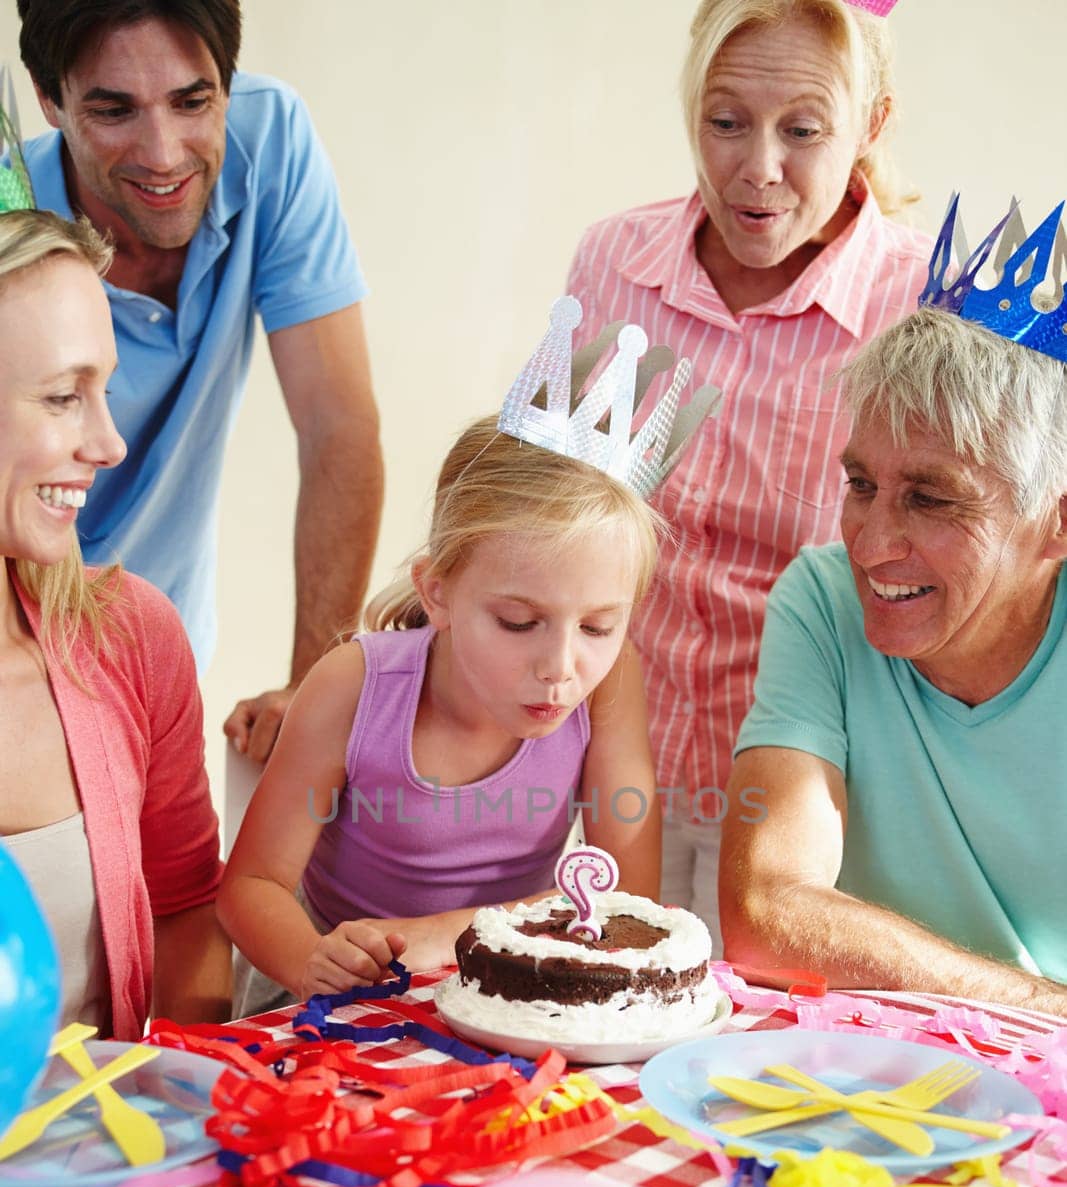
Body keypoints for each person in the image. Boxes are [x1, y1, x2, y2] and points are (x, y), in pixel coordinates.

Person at [565, 0, 929, 942]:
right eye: (724, 122)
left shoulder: (923, 303)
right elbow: (549, 513)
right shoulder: (616, 266)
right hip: (606, 776)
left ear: (870, 124)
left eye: (802, 131)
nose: (756, 168)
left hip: (815, 810)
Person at [16, 0, 385, 761]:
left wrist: (311, 690)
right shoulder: (10, 228)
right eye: (114, 110)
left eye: (193, 101)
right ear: (49, 97)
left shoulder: (270, 137)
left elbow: (337, 429)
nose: (163, 153)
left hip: (163, 650)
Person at [218, 413, 663, 1009]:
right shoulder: (355, 685)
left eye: (598, 626)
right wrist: (311, 962)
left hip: (516, 985)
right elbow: (250, 886)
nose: (561, 665)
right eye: (518, 622)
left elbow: (628, 901)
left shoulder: (610, 683)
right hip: (340, 994)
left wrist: (441, 935)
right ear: (437, 592)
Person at [720, 303, 1067, 1015]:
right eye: (860, 486)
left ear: (1055, 523)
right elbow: (765, 914)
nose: (869, 546)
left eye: (930, 498)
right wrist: (1042, 1003)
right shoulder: (819, 597)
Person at [0, 206, 229, 1038]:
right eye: (64, 396)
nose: (109, 443)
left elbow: (186, 906)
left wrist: (189, 1121)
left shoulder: (131, 637)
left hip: (105, 1158)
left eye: (105, 388)